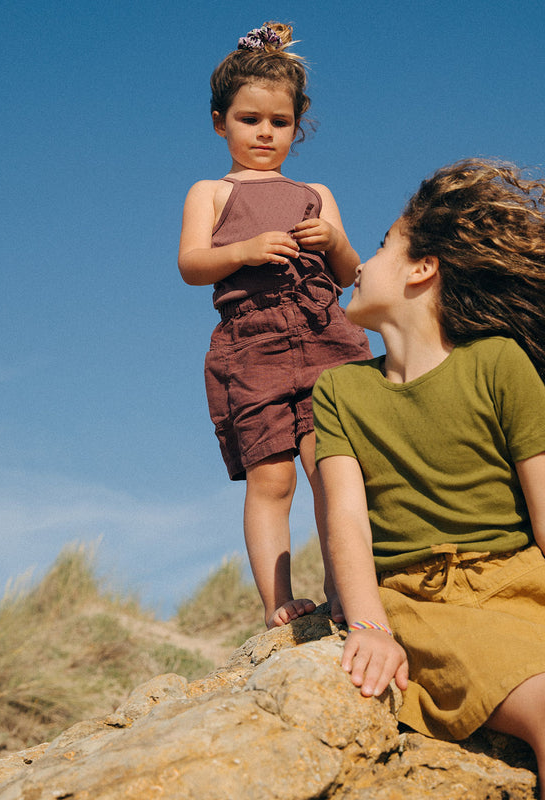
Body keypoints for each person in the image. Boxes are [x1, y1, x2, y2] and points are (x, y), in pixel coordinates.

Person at [312, 158, 545, 799]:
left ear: (423, 268)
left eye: (383, 244)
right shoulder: (338, 390)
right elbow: (346, 524)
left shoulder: (499, 363)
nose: (358, 263)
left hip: (526, 585)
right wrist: (369, 627)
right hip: (425, 600)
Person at [178, 22, 372, 628]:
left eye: (279, 122)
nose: (264, 133)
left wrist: (335, 238)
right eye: (248, 120)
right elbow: (190, 264)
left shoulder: (316, 193)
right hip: (251, 341)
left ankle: (345, 589)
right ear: (220, 122)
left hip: (323, 334)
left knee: (331, 467)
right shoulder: (210, 192)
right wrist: (244, 250)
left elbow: (349, 276)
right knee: (272, 476)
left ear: (297, 123)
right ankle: (278, 602)